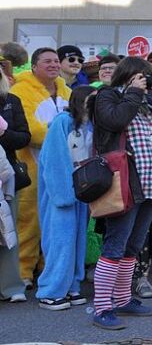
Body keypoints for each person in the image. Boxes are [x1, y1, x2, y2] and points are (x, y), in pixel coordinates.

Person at [91, 57, 152, 329]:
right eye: (142, 75)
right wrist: (133, 92)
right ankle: (102, 307)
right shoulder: (107, 96)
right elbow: (115, 121)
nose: (147, 80)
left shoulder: (149, 101)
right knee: (115, 245)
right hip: (125, 183)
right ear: (127, 76)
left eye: (148, 76)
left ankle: (122, 299)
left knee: (134, 245)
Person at [10, 48, 72, 285]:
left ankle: (49, 268)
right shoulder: (20, 91)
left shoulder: (66, 90)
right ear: (34, 66)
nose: (54, 65)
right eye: (47, 61)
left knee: (55, 222)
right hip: (32, 167)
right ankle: (23, 272)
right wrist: (63, 138)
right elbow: (31, 131)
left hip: (62, 169)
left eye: (56, 61)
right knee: (28, 222)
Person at [34, 87, 94, 309]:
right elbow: (54, 160)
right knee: (60, 240)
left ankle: (72, 286)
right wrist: (63, 194)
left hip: (83, 190)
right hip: (61, 193)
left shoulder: (92, 125)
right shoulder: (62, 122)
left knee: (78, 240)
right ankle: (50, 290)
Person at [0, 70, 29, 301]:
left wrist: (2, 132)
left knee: (8, 231)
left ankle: (11, 287)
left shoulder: (11, 100)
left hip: (6, 176)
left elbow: (23, 137)